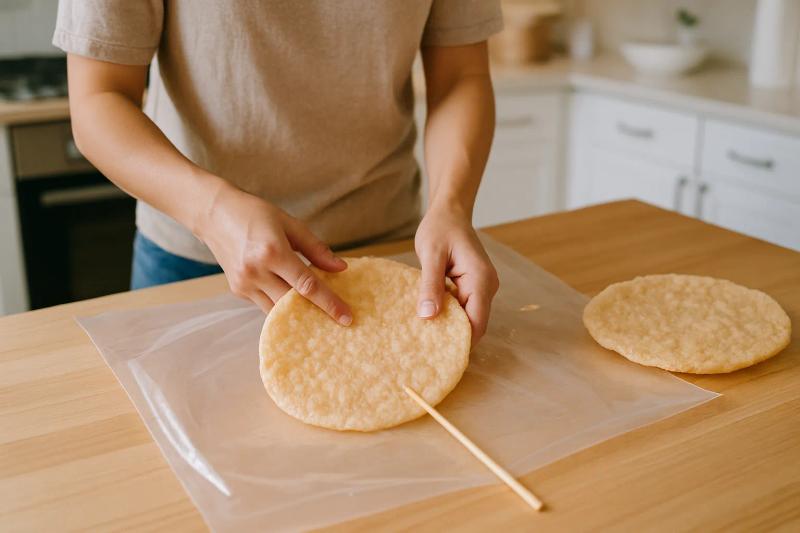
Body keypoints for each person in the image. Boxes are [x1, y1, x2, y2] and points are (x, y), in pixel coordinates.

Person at [54, 1, 502, 344]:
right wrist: (213, 212)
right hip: (196, 261)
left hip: (387, 253)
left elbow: (460, 75)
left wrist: (451, 205)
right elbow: (98, 99)